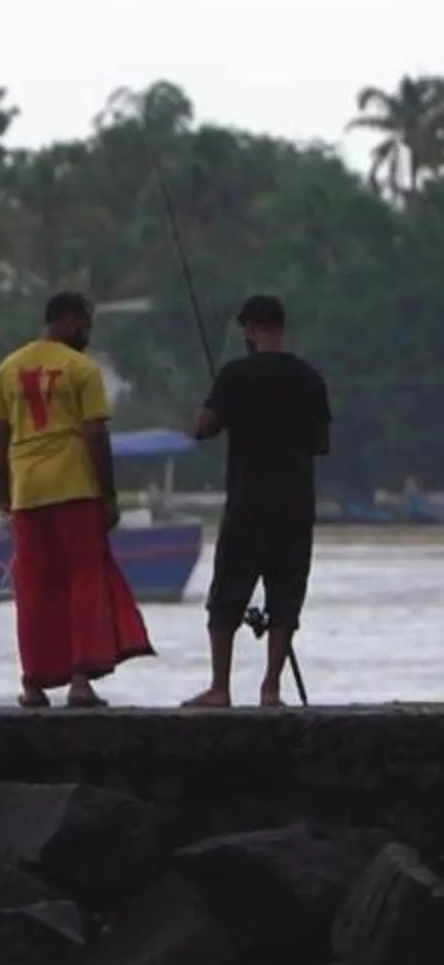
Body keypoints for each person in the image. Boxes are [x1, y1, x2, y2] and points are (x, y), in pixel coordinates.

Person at [0, 291, 154, 708]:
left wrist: (4, 497)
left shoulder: (8, 368)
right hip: (75, 488)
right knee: (84, 582)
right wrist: (109, 495)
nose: (86, 333)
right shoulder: (81, 368)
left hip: (27, 491)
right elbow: (96, 434)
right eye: (84, 324)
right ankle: (80, 681)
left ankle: (33, 682)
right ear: (65, 319)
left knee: (33, 587)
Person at [185, 293, 331, 708]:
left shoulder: (236, 375)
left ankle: (220, 687)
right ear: (282, 327)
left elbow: (202, 428)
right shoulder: (310, 378)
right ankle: (271, 688)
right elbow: (321, 444)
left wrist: (223, 409)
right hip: (295, 504)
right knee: (285, 596)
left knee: (227, 593)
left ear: (250, 330)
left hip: (248, 502)